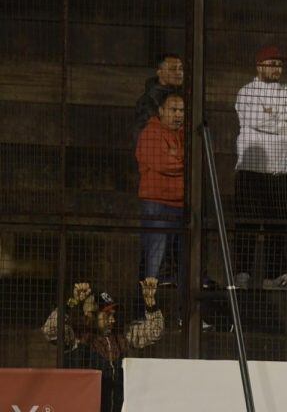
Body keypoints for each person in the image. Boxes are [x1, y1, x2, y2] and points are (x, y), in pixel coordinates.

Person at [233, 45, 287, 292]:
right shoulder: (247, 91)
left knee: (278, 225)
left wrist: (275, 112)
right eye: (271, 63)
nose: (277, 68)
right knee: (247, 224)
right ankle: (241, 275)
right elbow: (257, 120)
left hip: (282, 172)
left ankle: (274, 276)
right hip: (252, 170)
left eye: (279, 64)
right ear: (259, 66)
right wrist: (285, 117)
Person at [42, 279, 164, 412]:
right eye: (106, 315)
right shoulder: (77, 337)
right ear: (91, 314)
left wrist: (150, 303)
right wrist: (72, 302)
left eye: (113, 315)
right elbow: (50, 330)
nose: (113, 319)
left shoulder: (121, 336)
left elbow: (155, 331)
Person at [136, 93, 185, 292]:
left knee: (182, 260)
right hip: (157, 203)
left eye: (182, 110)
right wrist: (182, 160)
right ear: (161, 111)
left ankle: (182, 315)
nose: (178, 115)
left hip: (180, 204)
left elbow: (180, 161)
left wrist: (177, 157)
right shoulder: (151, 133)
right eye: (173, 110)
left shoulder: (183, 135)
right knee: (154, 260)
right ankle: (148, 310)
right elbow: (163, 163)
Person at [132, 54, 184, 146]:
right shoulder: (148, 101)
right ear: (160, 72)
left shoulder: (184, 96)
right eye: (172, 69)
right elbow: (140, 138)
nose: (179, 73)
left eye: (180, 69)